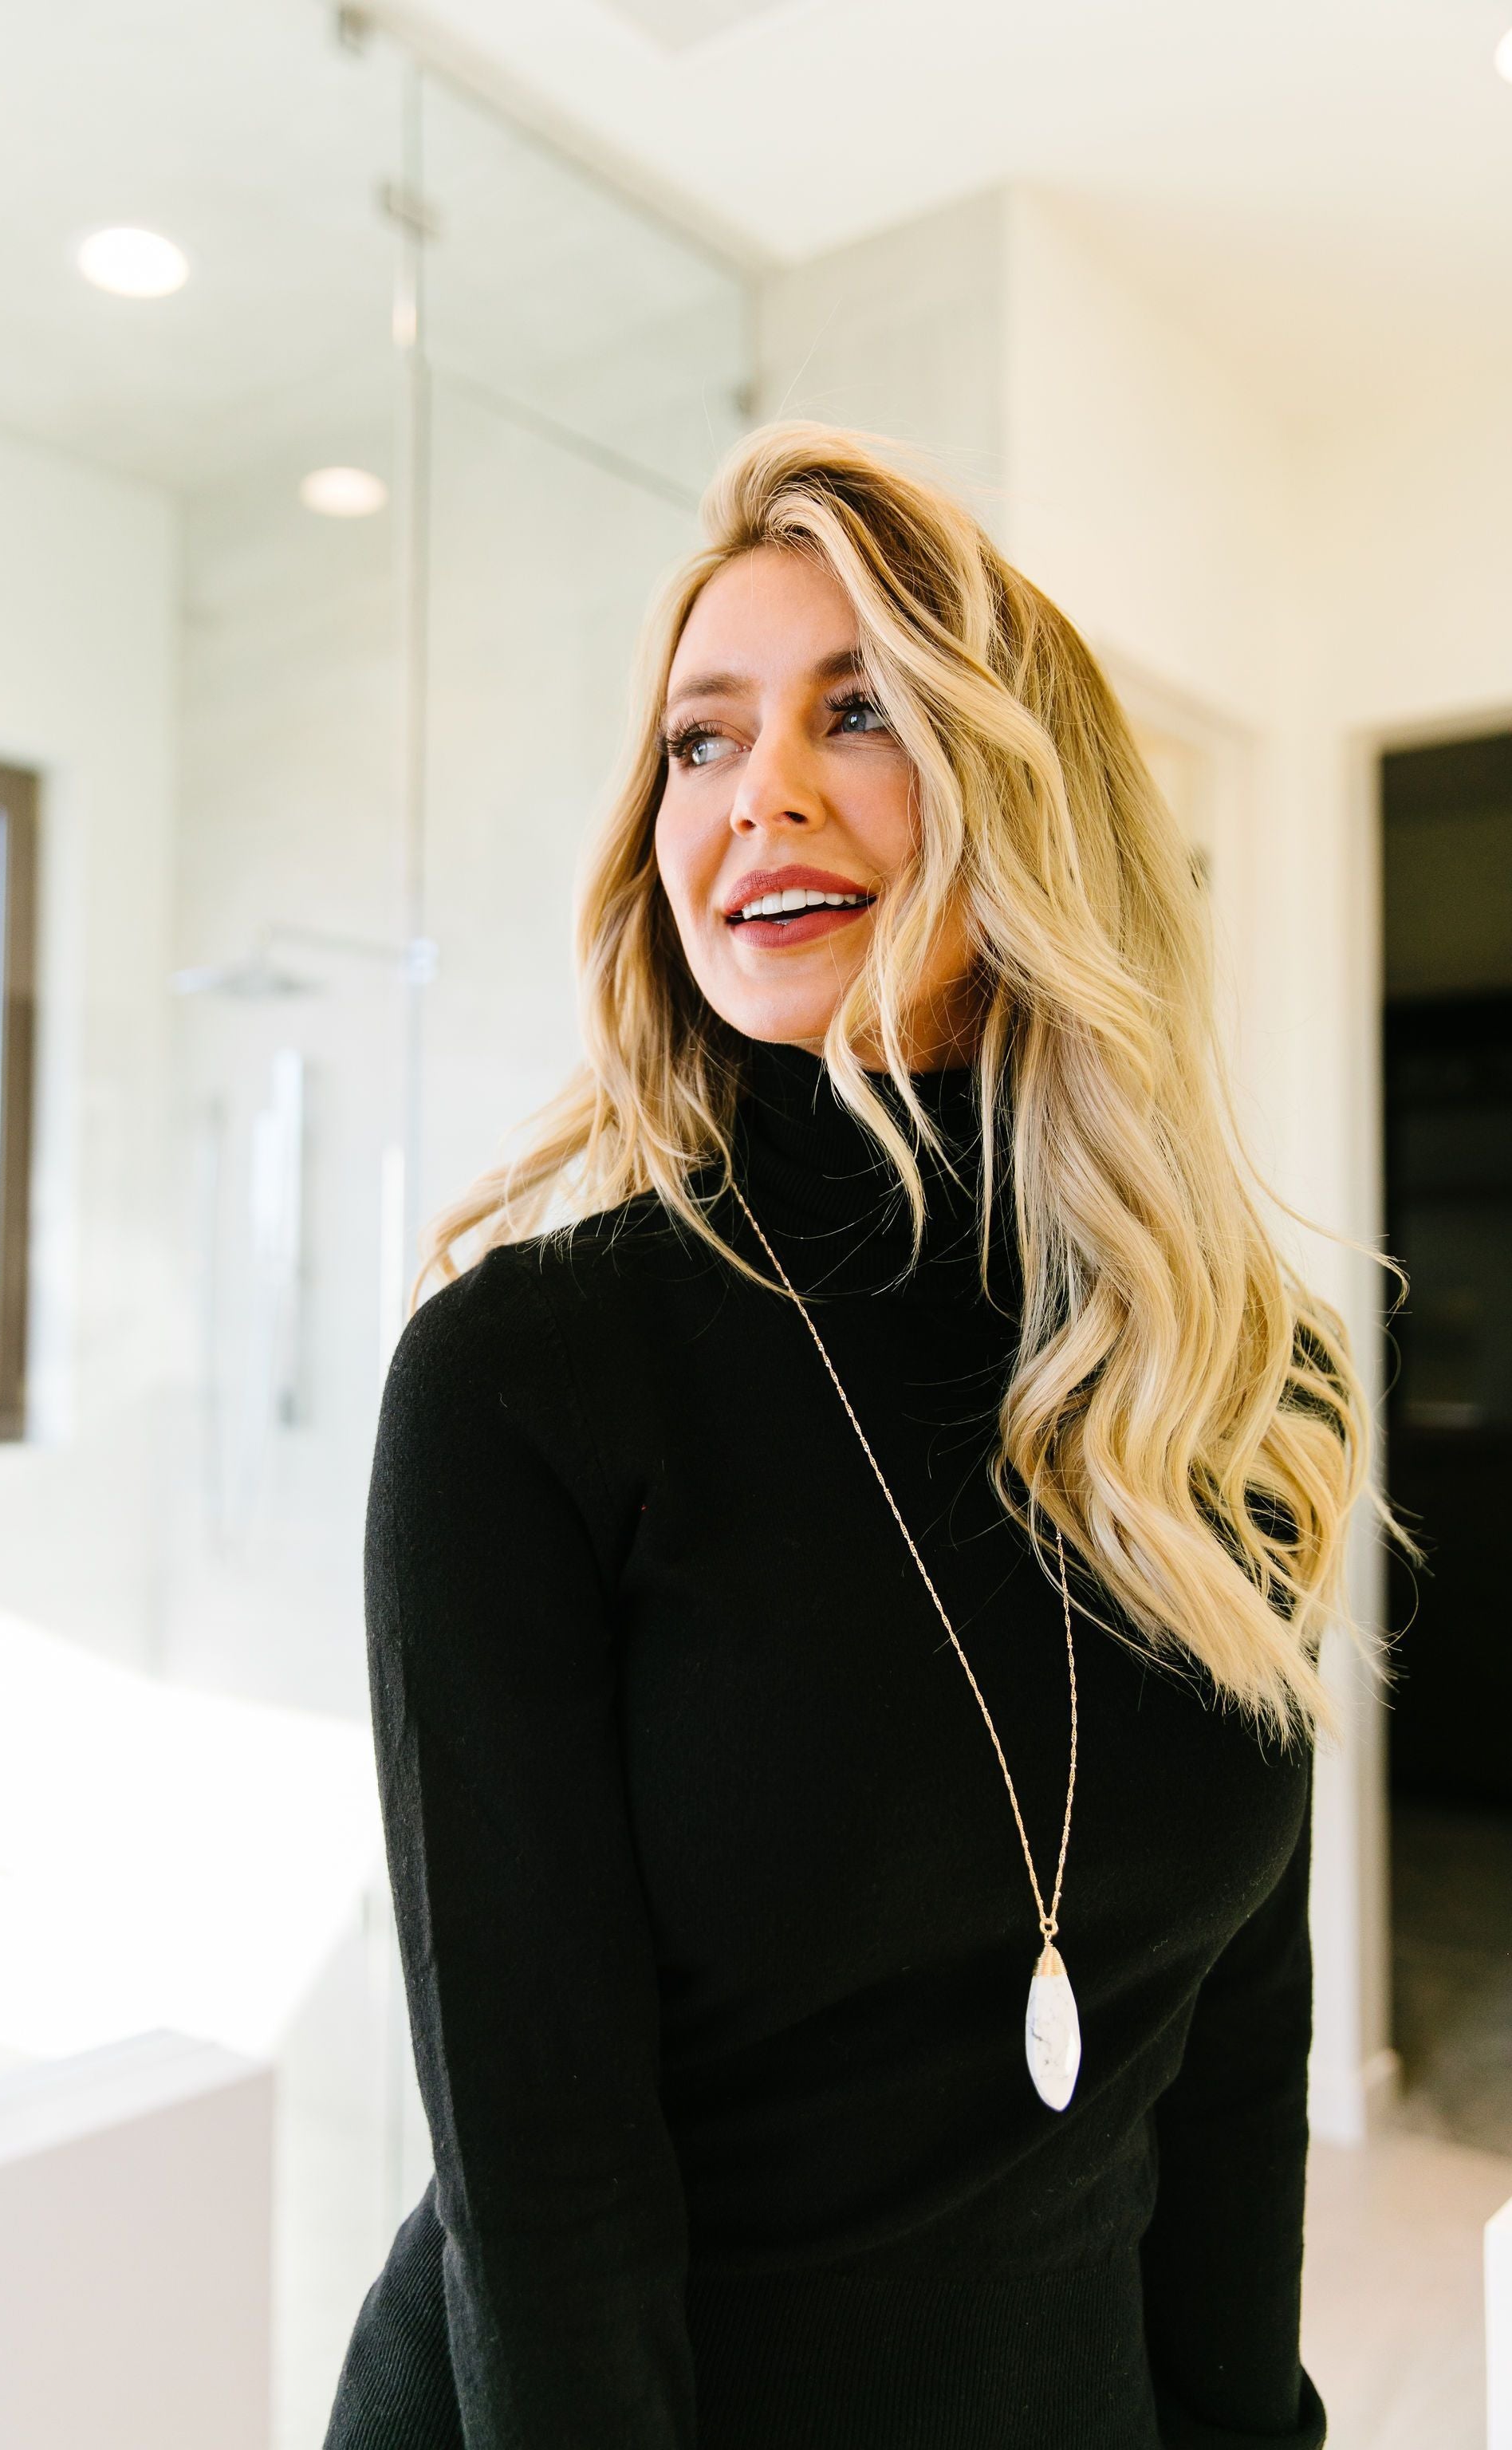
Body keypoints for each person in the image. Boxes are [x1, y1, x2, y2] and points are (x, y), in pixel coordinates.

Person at [325, 423, 1380, 2449]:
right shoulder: (524, 1384)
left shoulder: (1247, 1381)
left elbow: (1230, 2059)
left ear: (1024, 794)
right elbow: (548, 2189)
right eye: (698, 743)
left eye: (858, 711)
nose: (759, 797)